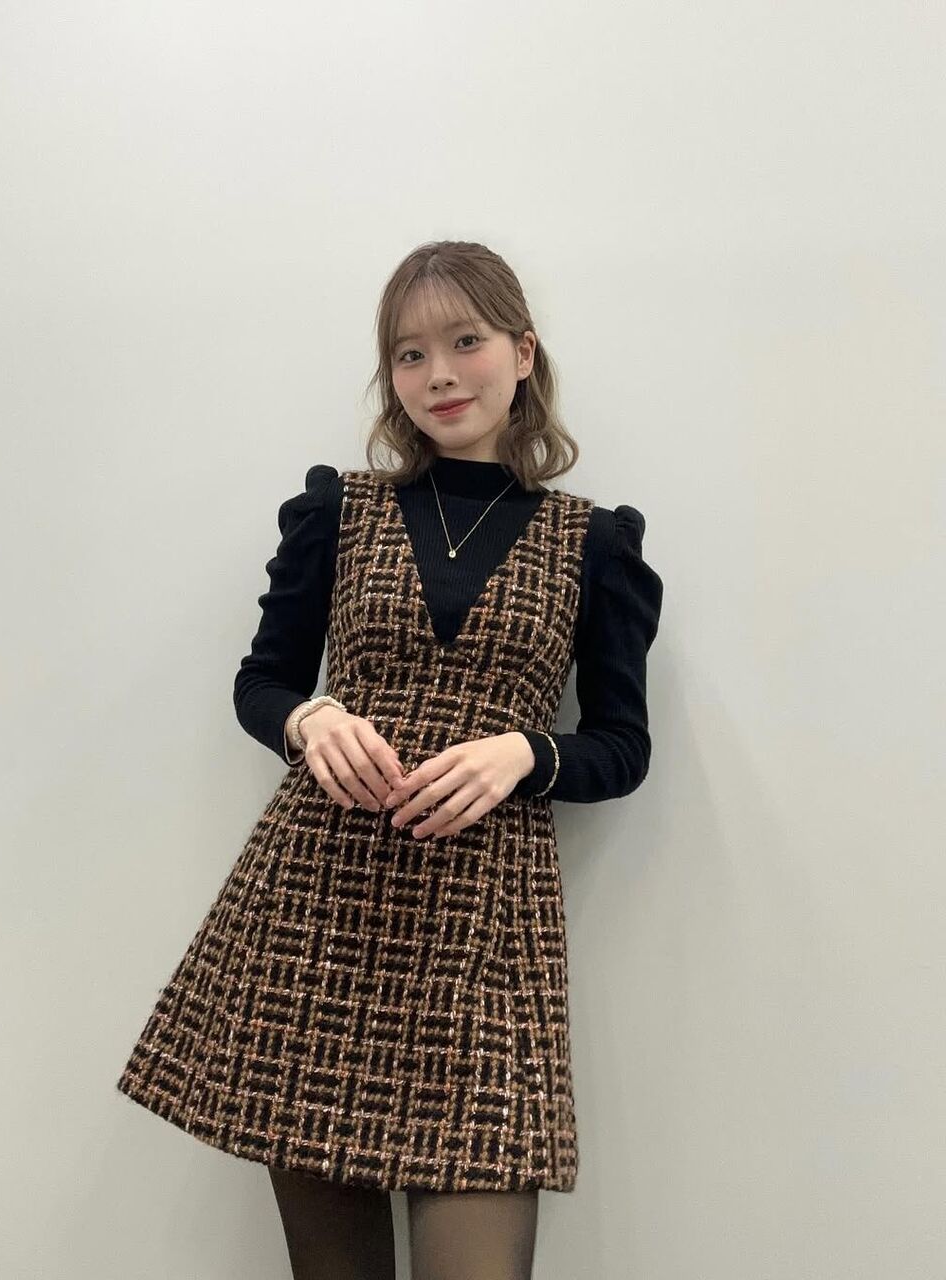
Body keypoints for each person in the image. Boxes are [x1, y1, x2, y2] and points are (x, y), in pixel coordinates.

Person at [116, 239, 664, 1279]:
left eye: (465, 342)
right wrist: (310, 721)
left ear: (522, 352)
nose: (439, 375)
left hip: (484, 927)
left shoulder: (595, 543)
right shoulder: (338, 511)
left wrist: (525, 752)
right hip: (318, 914)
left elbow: (622, 745)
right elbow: (263, 681)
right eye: (409, 355)